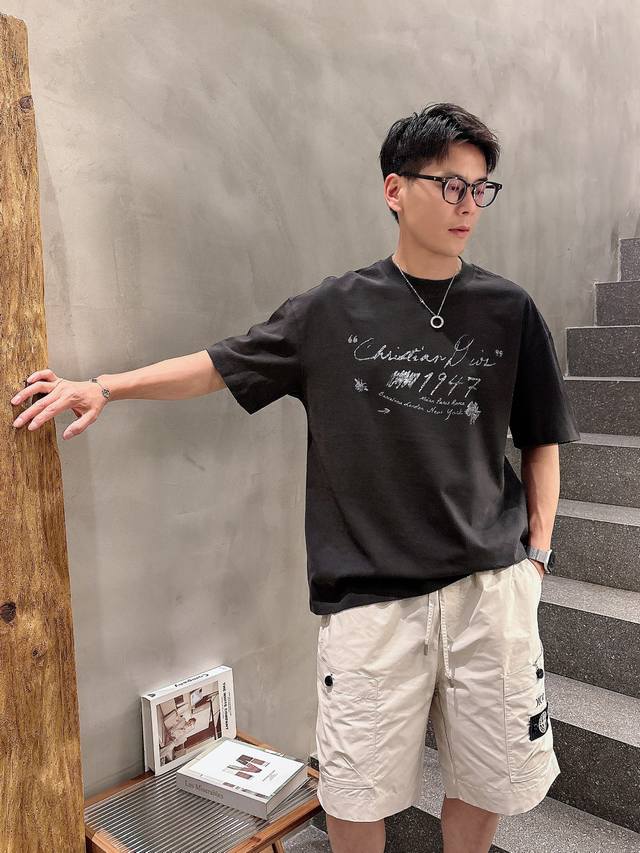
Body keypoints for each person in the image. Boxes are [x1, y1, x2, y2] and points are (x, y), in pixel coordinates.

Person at [10, 102, 581, 853]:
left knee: (485, 779)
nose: (467, 204)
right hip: (371, 601)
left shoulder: (509, 310)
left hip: (490, 592)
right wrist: (105, 386)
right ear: (394, 188)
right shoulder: (332, 310)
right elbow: (219, 364)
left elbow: (541, 439)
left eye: (480, 189)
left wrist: (536, 558)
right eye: (449, 184)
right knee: (353, 791)